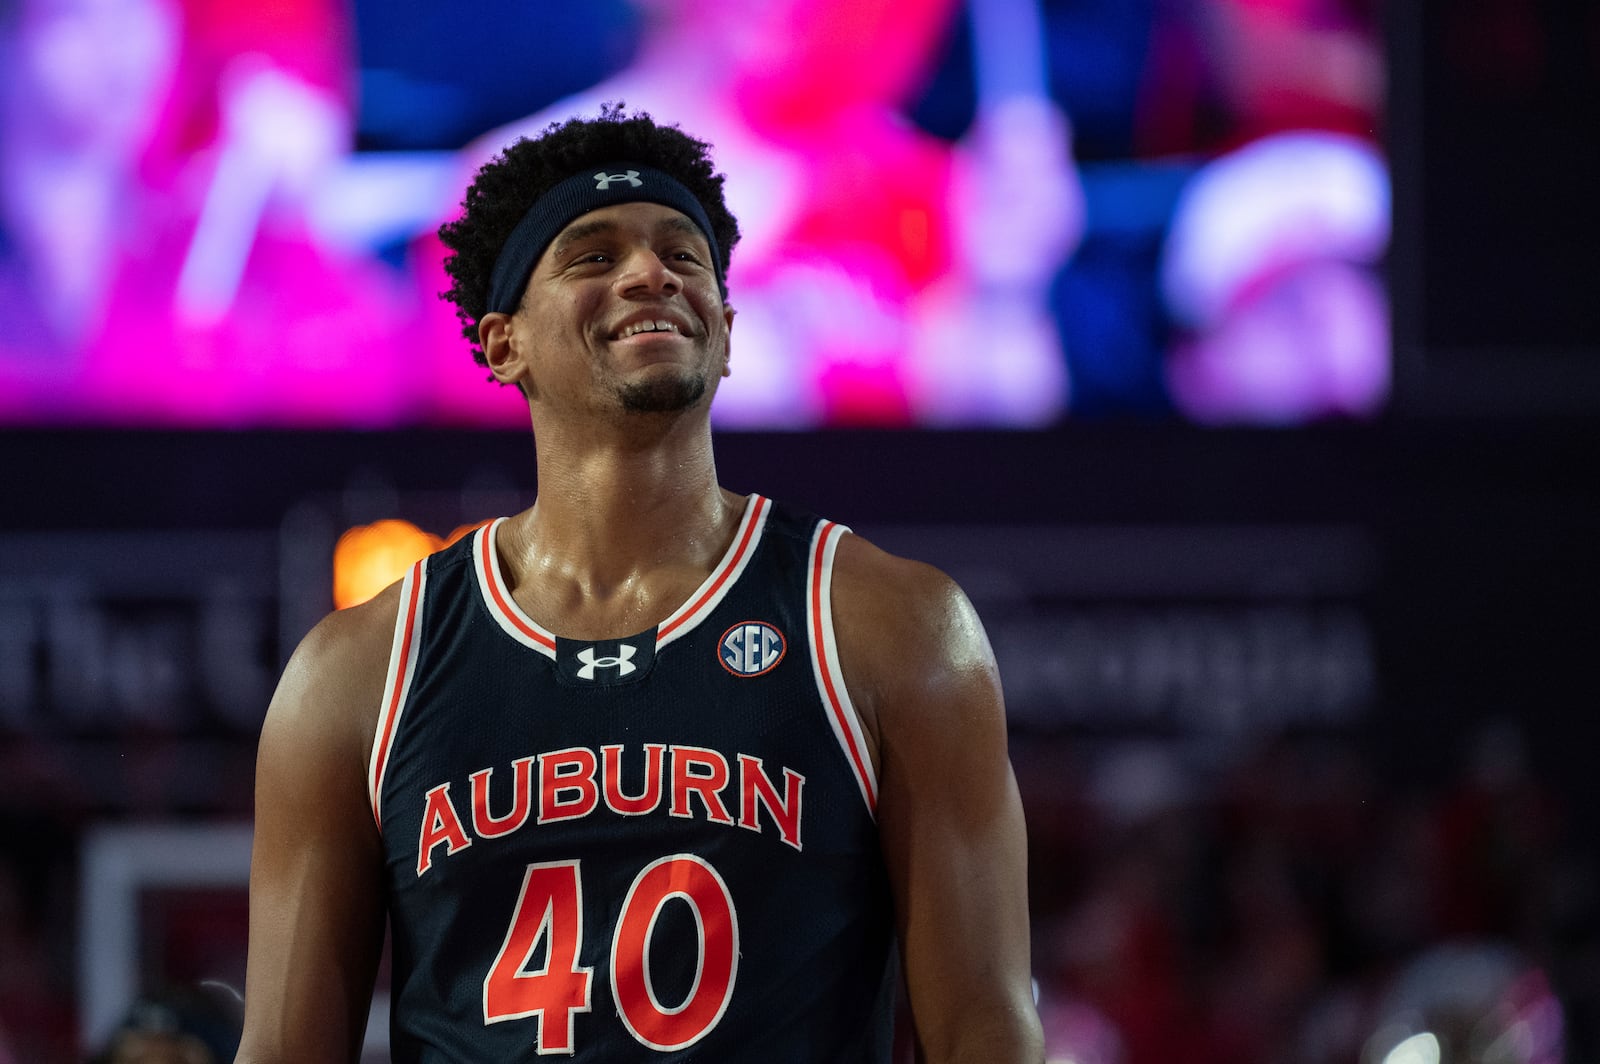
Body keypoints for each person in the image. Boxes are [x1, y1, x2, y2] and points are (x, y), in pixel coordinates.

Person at [235, 105, 1043, 1062]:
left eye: (682, 254)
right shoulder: (360, 670)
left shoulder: (885, 623)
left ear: (728, 331)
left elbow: (984, 1029)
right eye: (590, 255)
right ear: (503, 345)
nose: (650, 272)